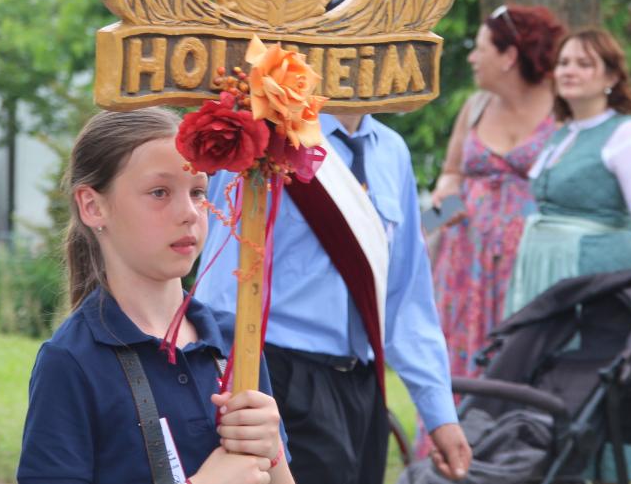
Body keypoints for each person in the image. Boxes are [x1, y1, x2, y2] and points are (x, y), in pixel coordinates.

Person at [17, 107, 294, 484]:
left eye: (198, 192)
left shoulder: (235, 342)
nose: (189, 213)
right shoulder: (71, 362)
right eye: (159, 192)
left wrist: (271, 451)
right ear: (93, 206)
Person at [196, 109, 472, 484]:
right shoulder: (265, 137)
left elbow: (406, 295)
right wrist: (222, 379)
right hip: (283, 378)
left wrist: (439, 411)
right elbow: (224, 279)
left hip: (363, 383)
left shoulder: (391, 150)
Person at [505, 27, 631, 482]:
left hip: (593, 269)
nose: (570, 71)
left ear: (611, 76)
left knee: (586, 374)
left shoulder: (626, 134)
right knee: (542, 368)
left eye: (585, 64)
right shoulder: (561, 133)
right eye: (566, 62)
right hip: (545, 269)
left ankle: (597, 468)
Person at [428, 5, 565, 380]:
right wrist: (441, 203)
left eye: (480, 48)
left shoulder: (562, 106)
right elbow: (451, 174)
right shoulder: (475, 107)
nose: (472, 58)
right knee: (459, 350)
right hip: (465, 260)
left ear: (508, 56)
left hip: (530, 261)